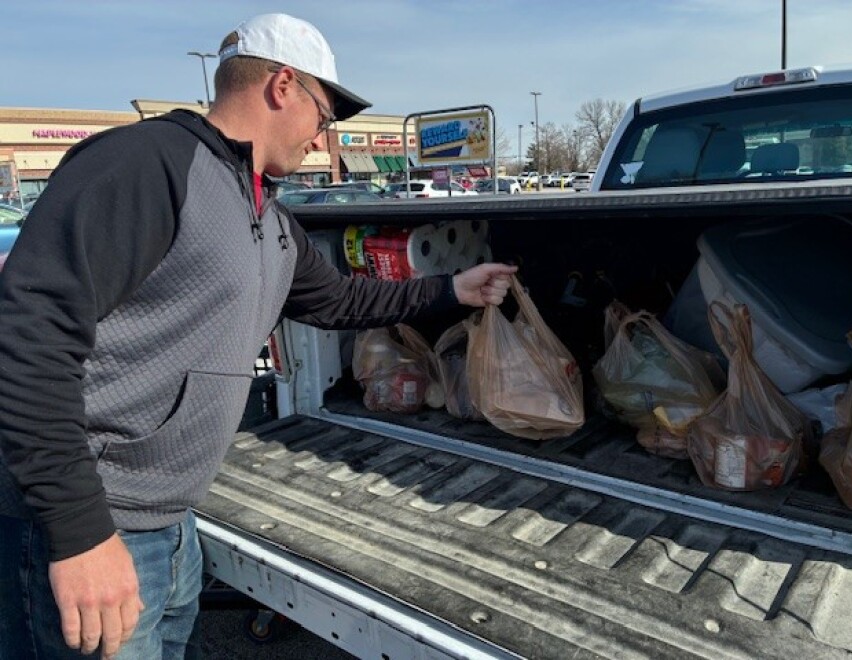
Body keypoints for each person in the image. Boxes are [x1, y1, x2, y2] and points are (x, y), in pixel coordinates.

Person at [0, 13, 516, 660]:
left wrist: (451, 291)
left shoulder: (266, 214)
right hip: (93, 525)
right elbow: (28, 337)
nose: (322, 139)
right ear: (281, 87)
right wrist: (79, 534)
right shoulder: (147, 164)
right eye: (324, 117)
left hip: (171, 523)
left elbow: (339, 299)